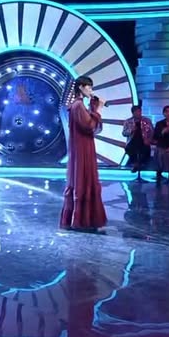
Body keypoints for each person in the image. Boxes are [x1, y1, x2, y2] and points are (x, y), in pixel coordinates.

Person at [60, 75, 107, 231]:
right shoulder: (78, 106)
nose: (91, 90)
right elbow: (89, 126)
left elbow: (91, 125)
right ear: (81, 87)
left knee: (83, 179)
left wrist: (94, 108)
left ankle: (85, 219)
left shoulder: (79, 105)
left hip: (83, 147)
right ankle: (81, 220)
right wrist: (98, 110)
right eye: (89, 87)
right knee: (82, 179)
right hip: (82, 149)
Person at [122, 103, 153, 176]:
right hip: (132, 141)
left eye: (140, 111)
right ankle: (137, 164)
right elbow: (124, 133)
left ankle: (138, 165)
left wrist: (149, 140)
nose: (139, 113)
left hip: (144, 140)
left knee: (146, 150)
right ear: (133, 113)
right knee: (129, 149)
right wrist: (131, 130)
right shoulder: (128, 121)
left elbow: (152, 131)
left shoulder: (147, 120)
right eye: (137, 112)